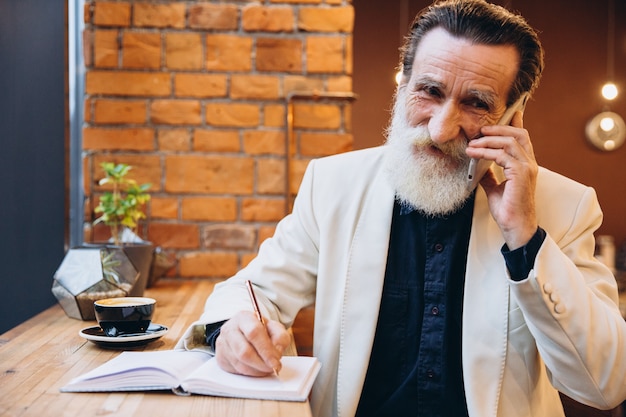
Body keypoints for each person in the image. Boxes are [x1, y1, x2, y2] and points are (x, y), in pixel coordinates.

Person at [177, 1, 626, 416]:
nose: (440, 127)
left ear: (512, 114)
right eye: (429, 90)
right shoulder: (333, 184)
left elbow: (606, 383)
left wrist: (526, 239)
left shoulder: (563, 207)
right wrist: (234, 330)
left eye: (477, 103)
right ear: (404, 84)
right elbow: (253, 292)